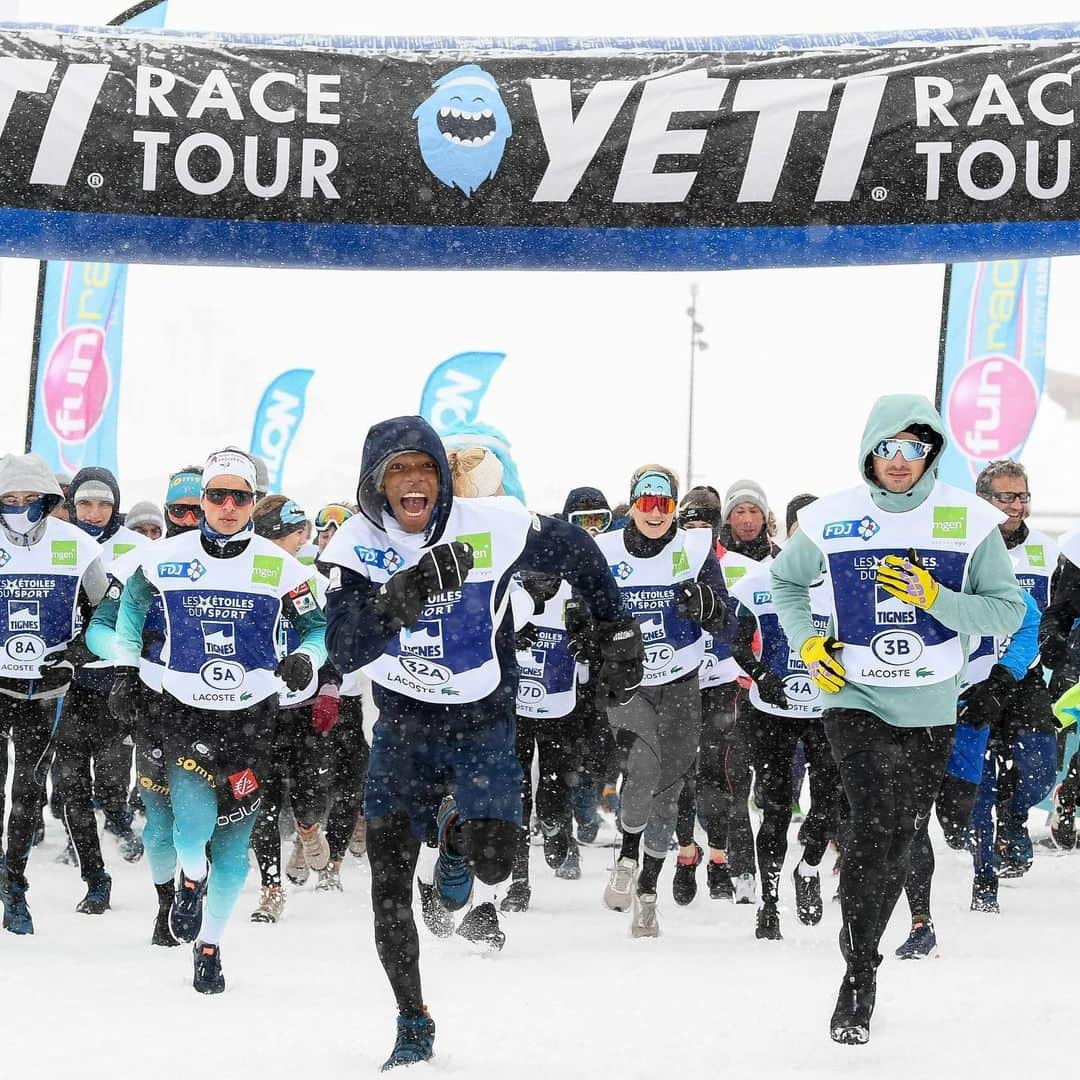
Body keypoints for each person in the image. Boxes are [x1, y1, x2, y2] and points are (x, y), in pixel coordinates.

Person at [321, 415, 639, 1071]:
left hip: (482, 712)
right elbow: (346, 647)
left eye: (425, 469)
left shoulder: (494, 525)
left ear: (444, 478)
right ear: (376, 485)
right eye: (398, 471)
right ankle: (413, 1021)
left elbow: (581, 553)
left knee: (496, 863)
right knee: (387, 884)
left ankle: (457, 843)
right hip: (404, 719)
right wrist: (400, 597)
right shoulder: (354, 545)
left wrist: (614, 624)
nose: (414, 483)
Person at [770, 393, 1025, 1045]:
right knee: (875, 822)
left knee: (896, 841)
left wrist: (937, 598)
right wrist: (807, 642)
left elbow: (1007, 612)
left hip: (931, 707)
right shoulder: (831, 518)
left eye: (912, 448)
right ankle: (860, 976)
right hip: (853, 699)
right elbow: (786, 584)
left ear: (931, 451)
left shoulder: (969, 523)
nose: (898, 461)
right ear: (869, 451)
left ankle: (858, 936)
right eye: (887, 447)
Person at [107, 449, 326, 993]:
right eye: (217, 495)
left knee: (234, 853)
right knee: (191, 829)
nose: (228, 506)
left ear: (253, 503)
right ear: (202, 499)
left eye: (240, 497)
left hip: (253, 721)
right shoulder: (161, 558)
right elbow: (128, 616)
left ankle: (210, 946)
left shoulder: (281, 566)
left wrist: (307, 659)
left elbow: (318, 629)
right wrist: (128, 670)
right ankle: (188, 877)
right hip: (184, 715)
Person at [897, 459, 1058, 953]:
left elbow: (1035, 617)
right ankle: (957, 892)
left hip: (1012, 679)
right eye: (1005, 497)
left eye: (1021, 496)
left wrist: (1008, 675)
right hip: (948, 687)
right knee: (955, 802)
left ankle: (1012, 822)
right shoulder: (953, 537)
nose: (1015, 505)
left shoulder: (1044, 551)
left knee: (1034, 772)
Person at [596, 465, 732, 936]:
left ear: (675, 508)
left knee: (670, 788)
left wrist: (708, 606)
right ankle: (627, 855)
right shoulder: (608, 548)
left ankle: (648, 891)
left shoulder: (694, 548)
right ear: (632, 503)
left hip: (679, 681)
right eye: (646, 502)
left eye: (665, 504)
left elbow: (725, 617)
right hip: (630, 684)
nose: (655, 513)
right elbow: (586, 606)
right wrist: (585, 633)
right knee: (643, 772)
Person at [86, 464, 206, 946]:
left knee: (213, 823)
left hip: (229, 713)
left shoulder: (251, 561)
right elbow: (100, 626)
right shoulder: (143, 563)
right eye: (179, 511)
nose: (192, 519)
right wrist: (127, 661)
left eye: (201, 509)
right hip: (158, 707)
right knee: (159, 823)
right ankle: (164, 905)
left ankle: (199, 895)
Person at [0, 454, 107, 934]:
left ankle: (14, 888)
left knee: (27, 792)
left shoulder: (78, 545)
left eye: (28, 499)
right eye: (9, 499)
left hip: (50, 690)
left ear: (48, 501)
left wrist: (81, 649)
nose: (20, 507)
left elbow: (107, 611)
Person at [728, 495, 839, 940]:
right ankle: (769, 902)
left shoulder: (840, 587)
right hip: (771, 712)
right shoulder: (759, 582)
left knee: (829, 803)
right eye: (801, 531)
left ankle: (808, 866)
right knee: (774, 808)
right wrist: (760, 675)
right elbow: (737, 643)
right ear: (789, 532)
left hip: (825, 711)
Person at [53, 467, 148, 917]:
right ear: (71, 504)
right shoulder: (57, 541)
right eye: (86, 503)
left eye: (104, 504)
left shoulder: (136, 548)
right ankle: (95, 876)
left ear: (116, 506)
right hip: (69, 686)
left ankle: (122, 822)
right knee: (71, 785)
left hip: (117, 685)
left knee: (112, 780)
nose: (94, 512)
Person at [247, 496, 337, 923]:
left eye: (300, 535)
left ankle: (307, 827)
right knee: (261, 802)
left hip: (302, 707)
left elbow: (328, 636)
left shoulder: (311, 580)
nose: (298, 543)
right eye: (290, 536)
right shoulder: (246, 572)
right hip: (257, 708)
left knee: (306, 792)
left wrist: (330, 688)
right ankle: (271, 888)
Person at [695, 479, 781, 904]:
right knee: (729, 777)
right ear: (727, 518)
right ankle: (737, 866)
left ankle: (758, 864)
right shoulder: (711, 560)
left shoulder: (782, 561)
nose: (747, 519)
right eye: (739, 511)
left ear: (766, 516)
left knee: (770, 784)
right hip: (729, 685)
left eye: (754, 511)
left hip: (775, 685)